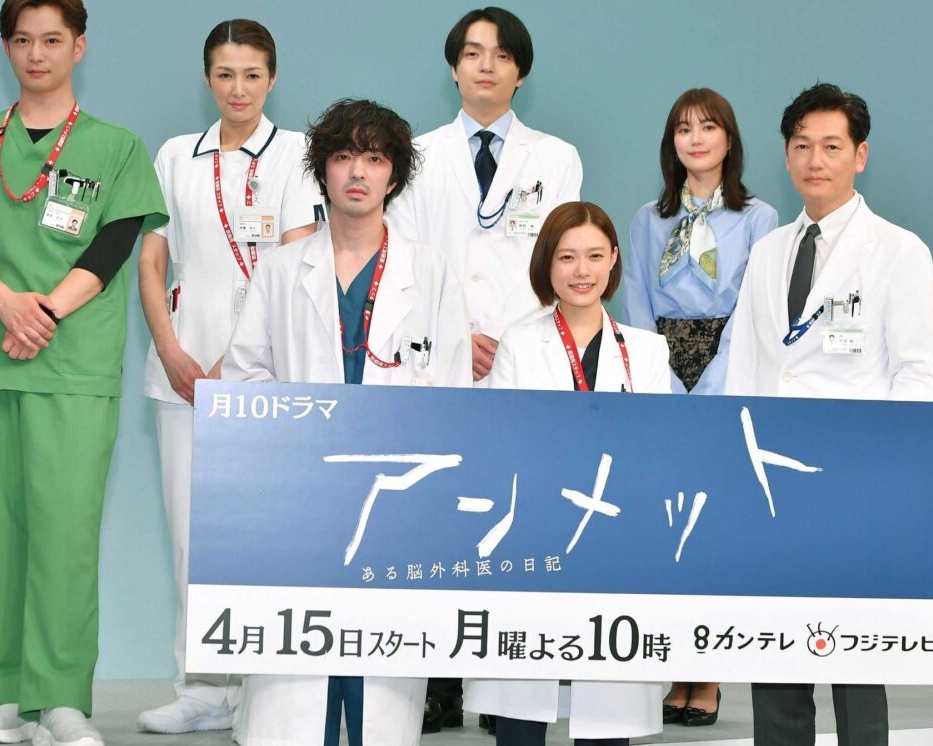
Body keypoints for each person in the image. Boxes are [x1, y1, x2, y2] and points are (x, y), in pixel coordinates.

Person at [0, 1, 167, 744]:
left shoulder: (115, 148)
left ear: (80, 46)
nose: (36, 53)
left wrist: (42, 315)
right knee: (5, 531)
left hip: (72, 363)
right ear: (6, 48)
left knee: (66, 533)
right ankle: (14, 697)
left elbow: (113, 244)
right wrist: (8, 304)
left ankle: (63, 699)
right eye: (22, 40)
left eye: (51, 39)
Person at [223, 98, 472, 746]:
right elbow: (246, 375)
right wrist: (295, 443)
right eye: (342, 156)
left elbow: (452, 391)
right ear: (322, 170)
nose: (357, 171)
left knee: (380, 678)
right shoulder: (282, 269)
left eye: (374, 158)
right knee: (296, 691)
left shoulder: (430, 272)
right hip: (301, 493)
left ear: (395, 175)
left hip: (396, 495)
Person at [726, 83, 933, 745]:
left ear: (860, 155)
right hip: (771, 481)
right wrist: (737, 461)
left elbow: (920, 372)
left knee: (855, 662)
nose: (814, 160)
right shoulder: (768, 251)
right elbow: (748, 365)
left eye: (831, 146)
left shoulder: (899, 251)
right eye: (802, 146)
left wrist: (879, 466)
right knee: (776, 655)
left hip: (854, 484)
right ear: (786, 155)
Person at [388, 8, 582, 729]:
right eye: (472, 53)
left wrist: (513, 340)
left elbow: (564, 257)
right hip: (441, 358)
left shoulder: (555, 157)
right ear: (454, 67)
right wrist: (455, 334)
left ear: (520, 71)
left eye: (501, 55)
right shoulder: (418, 154)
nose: (486, 66)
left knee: (520, 515)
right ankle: (441, 683)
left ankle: (513, 691)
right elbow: (404, 259)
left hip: (525, 354)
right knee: (441, 517)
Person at [135, 18, 321, 736]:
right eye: (224, 74)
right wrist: (170, 348)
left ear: (272, 78)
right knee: (191, 533)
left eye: (251, 75)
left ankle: (265, 685)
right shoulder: (175, 155)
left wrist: (233, 363)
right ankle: (201, 686)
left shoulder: (299, 154)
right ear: (207, 78)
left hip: (268, 373)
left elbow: (297, 262)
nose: (238, 89)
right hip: (182, 375)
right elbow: (154, 260)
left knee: (269, 531)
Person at [467, 201, 668, 745]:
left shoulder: (647, 352)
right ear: (547, 264)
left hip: (615, 537)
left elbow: (655, 451)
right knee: (522, 706)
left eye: (595, 256)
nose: (583, 270)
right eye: (567, 257)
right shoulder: (519, 342)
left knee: (607, 711)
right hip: (535, 530)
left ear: (614, 260)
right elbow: (503, 442)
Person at [621, 87, 777, 727]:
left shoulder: (760, 217)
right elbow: (634, 298)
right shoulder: (647, 218)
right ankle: (674, 665)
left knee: (711, 523)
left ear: (729, 139)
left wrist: (715, 381)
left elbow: (753, 306)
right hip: (660, 366)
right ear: (672, 143)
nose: (696, 138)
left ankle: (705, 673)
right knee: (666, 524)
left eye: (708, 127)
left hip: (727, 367)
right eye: (683, 128)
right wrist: (654, 376)